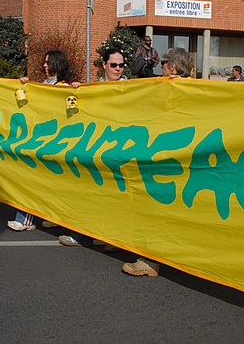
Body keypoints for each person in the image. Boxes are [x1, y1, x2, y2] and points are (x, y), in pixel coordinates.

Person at [121, 47, 193, 277]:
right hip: (177, 161)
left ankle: (152, 261)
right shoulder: (192, 89)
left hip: (170, 162)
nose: (160, 67)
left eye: (163, 63)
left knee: (158, 210)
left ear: (172, 67)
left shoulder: (183, 90)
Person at [58, 48, 127, 247]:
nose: (118, 69)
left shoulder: (131, 87)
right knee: (90, 193)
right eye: (113, 65)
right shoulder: (95, 87)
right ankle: (83, 234)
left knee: (116, 198)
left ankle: (115, 239)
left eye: (121, 65)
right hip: (97, 149)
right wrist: (80, 91)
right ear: (104, 65)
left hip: (119, 151)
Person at [7, 50, 74, 232]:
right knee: (37, 180)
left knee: (40, 181)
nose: (44, 65)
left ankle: (31, 218)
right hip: (42, 140)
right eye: (44, 62)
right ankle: (31, 217)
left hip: (54, 142)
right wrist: (26, 86)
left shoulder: (64, 86)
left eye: (48, 62)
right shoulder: (45, 84)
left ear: (57, 64)